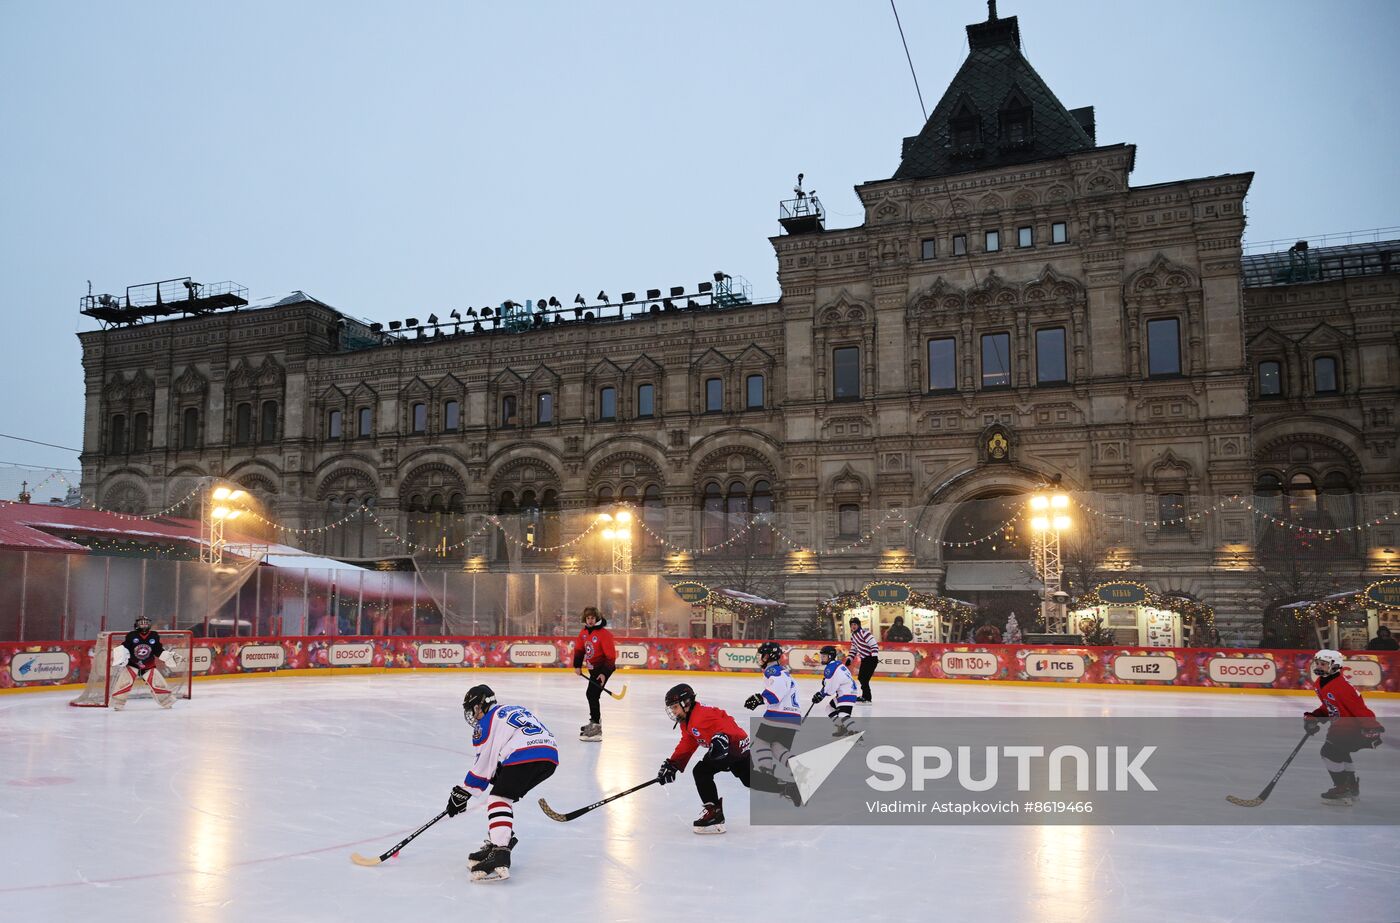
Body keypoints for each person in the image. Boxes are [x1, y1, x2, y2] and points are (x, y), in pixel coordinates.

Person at [447, 684, 559, 882]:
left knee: (498, 799)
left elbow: (483, 763)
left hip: (525, 754)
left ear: (479, 705)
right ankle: (499, 839)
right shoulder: (510, 709)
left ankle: (500, 853)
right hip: (549, 756)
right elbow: (493, 765)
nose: (473, 715)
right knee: (502, 791)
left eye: (473, 709)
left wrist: (462, 792)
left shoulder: (486, 722)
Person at [657, 683, 751, 834]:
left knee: (702, 772)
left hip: (733, 748)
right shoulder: (687, 721)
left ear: (686, 703)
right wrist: (673, 764)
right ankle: (715, 814)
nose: (673, 712)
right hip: (725, 750)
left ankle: (715, 814)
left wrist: (723, 738)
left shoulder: (703, 715)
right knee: (749, 780)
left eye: (675, 707)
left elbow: (727, 722)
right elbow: (688, 742)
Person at [1303, 650, 1384, 806]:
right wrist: (1315, 717)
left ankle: (1342, 788)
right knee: (1339, 752)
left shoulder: (1342, 686)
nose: (1319, 666)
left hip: (1352, 727)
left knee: (1328, 752)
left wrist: (1371, 727)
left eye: (1323, 664)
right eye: (1318, 663)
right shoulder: (1321, 682)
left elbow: (1359, 709)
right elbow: (1330, 706)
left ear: (1335, 666)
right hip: (1341, 725)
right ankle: (1351, 786)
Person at [743, 641, 803, 805]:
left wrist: (759, 698)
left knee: (760, 744)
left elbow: (777, 691)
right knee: (778, 748)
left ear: (769, 656)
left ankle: (766, 776)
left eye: (762, 654)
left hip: (778, 714)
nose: (760, 658)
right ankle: (801, 769)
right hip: (793, 717)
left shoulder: (773, 671)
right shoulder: (783, 671)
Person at [111, 616, 174, 710]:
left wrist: (166, 656)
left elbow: (158, 649)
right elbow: (125, 647)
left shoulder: (154, 635)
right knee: (124, 683)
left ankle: (167, 701)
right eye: (141, 623)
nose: (144, 625)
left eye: (146, 623)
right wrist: (121, 656)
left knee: (159, 683)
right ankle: (118, 703)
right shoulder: (131, 635)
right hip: (133, 664)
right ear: (137, 625)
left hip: (148, 665)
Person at [573, 607, 616, 741]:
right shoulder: (584, 633)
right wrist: (577, 665)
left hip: (603, 669)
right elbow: (579, 650)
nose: (590, 620)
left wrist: (604, 673)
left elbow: (611, 657)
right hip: (593, 670)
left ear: (596, 618)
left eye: (592, 618)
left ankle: (596, 728)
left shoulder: (604, 634)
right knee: (592, 694)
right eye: (588, 618)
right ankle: (595, 722)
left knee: (592, 694)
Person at [812, 645, 859, 737]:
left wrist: (820, 695)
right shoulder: (838, 664)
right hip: (847, 692)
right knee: (829, 708)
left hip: (846, 694)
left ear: (830, 657)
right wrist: (825, 684)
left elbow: (830, 690)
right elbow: (833, 681)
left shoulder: (830, 668)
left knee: (843, 715)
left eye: (824, 656)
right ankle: (842, 728)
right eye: (822, 656)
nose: (822, 658)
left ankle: (856, 735)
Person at [846, 616, 880, 703]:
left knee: (864, 678)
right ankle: (865, 696)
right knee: (861, 678)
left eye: (855, 624)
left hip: (871, 658)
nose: (853, 626)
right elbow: (854, 649)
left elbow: (874, 645)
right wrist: (850, 658)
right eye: (852, 625)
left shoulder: (865, 633)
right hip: (865, 659)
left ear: (859, 625)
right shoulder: (853, 636)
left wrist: (874, 656)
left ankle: (867, 697)